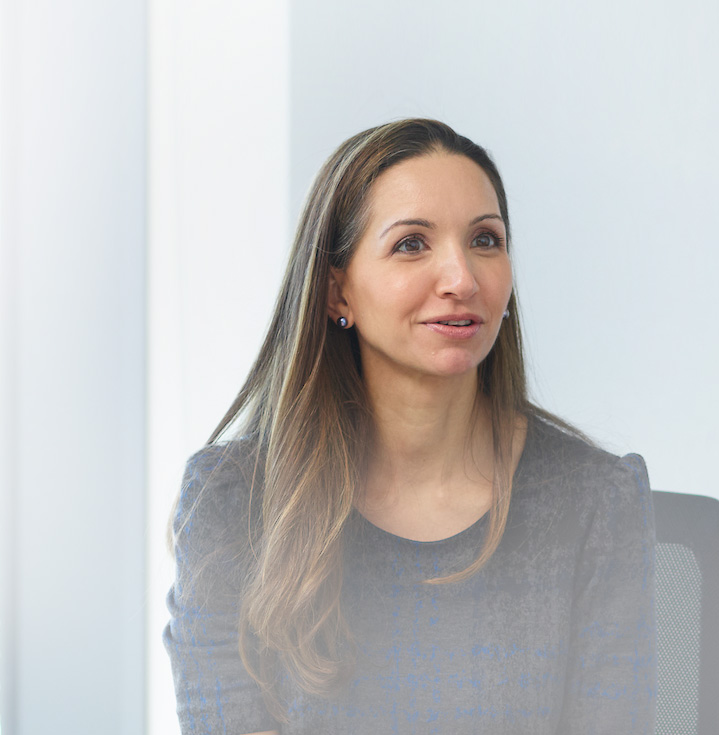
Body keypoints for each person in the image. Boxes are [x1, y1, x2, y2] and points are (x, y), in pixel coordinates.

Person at [163, 119, 656, 734]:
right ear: (336, 291)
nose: (462, 279)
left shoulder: (595, 498)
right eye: (411, 244)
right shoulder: (229, 502)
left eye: (485, 240)